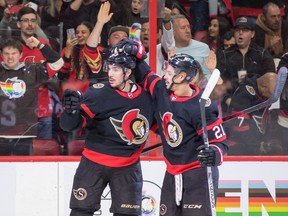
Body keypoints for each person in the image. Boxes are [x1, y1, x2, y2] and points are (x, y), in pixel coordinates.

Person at [126, 39, 228, 215]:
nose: (164, 75)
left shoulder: (201, 107)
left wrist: (214, 154)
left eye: (169, 72)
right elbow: (145, 75)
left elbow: (220, 143)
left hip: (198, 175)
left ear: (181, 77)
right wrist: (137, 51)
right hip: (172, 173)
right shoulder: (162, 90)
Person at [59, 39, 154, 215]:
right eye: (109, 68)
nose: (110, 73)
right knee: (81, 211)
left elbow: (162, 127)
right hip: (93, 163)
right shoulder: (99, 92)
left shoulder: (146, 99)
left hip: (128, 166)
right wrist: (70, 112)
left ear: (128, 72)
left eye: (116, 69)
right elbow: (69, 126)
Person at [0, 37, 63, 155]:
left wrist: (40, 45)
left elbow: (58, 62)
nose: (10, 57)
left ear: (20, 55)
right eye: (6, 53)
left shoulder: (32, 70)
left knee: (22, 171)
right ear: (1, 55)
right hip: (1, 134)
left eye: (14, 53)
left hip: (24, 134)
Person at [216, 16, 276, 115]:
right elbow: (219, 81)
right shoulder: (224, 55)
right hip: (230, 104)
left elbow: (270, 81)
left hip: (257, 104)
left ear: (252, 34)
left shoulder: (262, 54)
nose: (240, 33)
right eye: (237, 30)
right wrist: (227, 99)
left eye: (244, 30)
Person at [225, 72, 277, 155]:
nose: (271, 98)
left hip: (254, 146)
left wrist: (266, 140)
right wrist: (256, 146)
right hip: (238, 148)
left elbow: (264, 120)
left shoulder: (263, 94)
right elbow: (239, 126)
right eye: (270, 94)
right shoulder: (244, 93)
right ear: (263, 86)